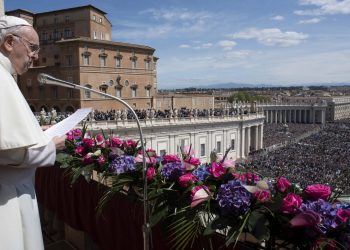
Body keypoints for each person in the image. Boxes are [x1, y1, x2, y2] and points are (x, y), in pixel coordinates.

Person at [0, 16, 66, 250]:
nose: (36, 56)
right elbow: (8, 153)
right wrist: (50, 147)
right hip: (6, 198)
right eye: (32, 48)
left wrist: (36, 132)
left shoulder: (6, 77)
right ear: (9, 42)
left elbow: (9, 135)